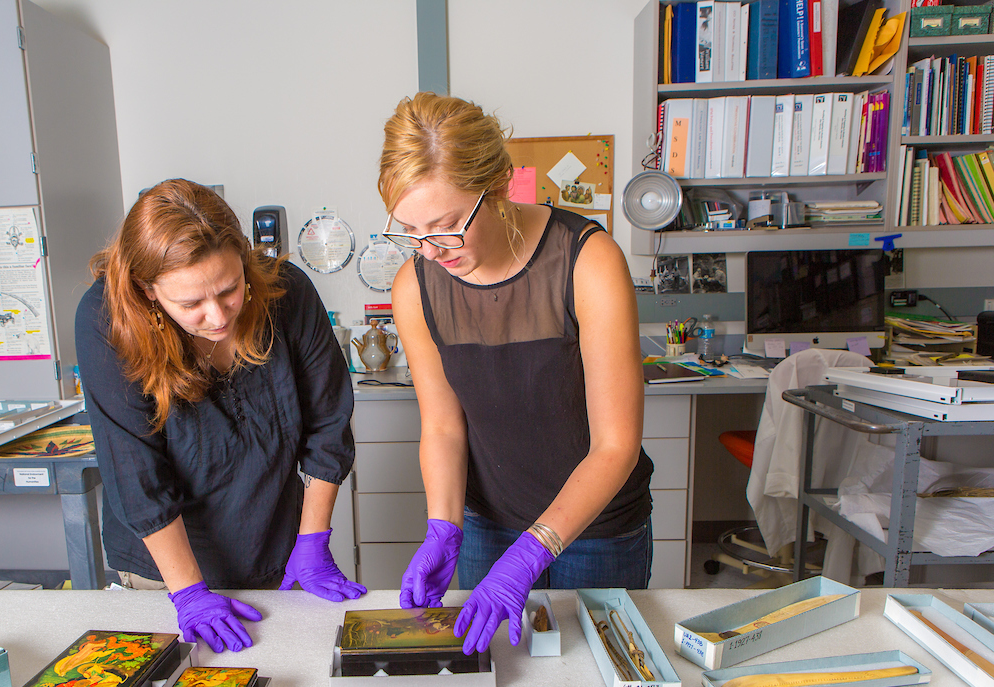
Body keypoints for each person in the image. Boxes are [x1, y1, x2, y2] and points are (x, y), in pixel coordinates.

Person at [378, 93, 654, 655]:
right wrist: (443, 526)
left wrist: (533, 552)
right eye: (409, 231)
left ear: (501, 184)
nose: (430, 250)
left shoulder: (588, 261)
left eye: (447, 225)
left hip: (595, 529)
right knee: (492, 686)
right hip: (487, 526)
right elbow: (444, 426)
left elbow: (616, 444)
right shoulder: (415, 286)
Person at [75, 179, 364, 654]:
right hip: (165, 575)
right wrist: (188, 593)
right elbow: (133, 469)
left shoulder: (286, 293)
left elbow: (328, 423)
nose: (216, 317)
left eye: (230, 290)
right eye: (190, 304)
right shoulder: (107, 319)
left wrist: (312, 542)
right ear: (148, 291)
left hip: (277, 552)